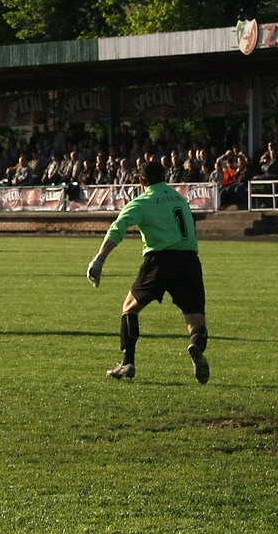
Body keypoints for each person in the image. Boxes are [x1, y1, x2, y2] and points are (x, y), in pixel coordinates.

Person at [86, 161, 209, 384]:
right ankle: (196, 346)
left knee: (129, 309)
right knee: (195, 319)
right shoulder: (179, 199)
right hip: (190, 260)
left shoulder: (142, 202)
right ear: (164, 178)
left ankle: (128, 363)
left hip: (159, 261)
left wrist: (100, 258)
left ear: (141, 181)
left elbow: (117, 228)